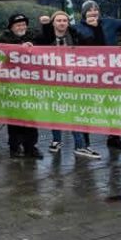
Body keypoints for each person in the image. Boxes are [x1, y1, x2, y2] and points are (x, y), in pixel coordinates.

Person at [74, 0, 121, 152]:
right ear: (84, 13)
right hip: (88, 76)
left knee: (112, 106)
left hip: (109, 74)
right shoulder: (77, 28)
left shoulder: (109, 23)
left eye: (95, 9)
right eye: (89, 10)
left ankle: (114, 137)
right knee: (86, 108)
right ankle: (84, 142)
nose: (93, 12)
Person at [38, 11, 100, 159]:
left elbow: (94, 44)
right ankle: (56, 140)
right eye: (58, 20)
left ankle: (80, 145)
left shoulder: (76, 36)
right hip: (53, 80)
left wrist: (95, 28)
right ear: (53, 23)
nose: (62, 23)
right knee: (55, 111)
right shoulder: (45, 37)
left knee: (74, 111)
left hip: (73, 80)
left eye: (64, 20)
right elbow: (34, 46)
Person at [0, 13, 43, 159]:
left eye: (23, 24)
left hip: (31, 84)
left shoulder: (33, 36)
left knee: (31, 116)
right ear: (11, 27)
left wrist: (46, 25)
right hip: (12, 84)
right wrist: (20, 48)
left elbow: (46, 41)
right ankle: (14, 147)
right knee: (14, 116)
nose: (21, 27)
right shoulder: (4, 38)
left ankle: (31, 147)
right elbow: (0, 55)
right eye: (18, 25)